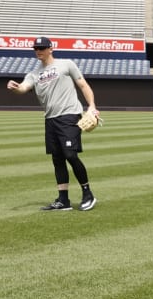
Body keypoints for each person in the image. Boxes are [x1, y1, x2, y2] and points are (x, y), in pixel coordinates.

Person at [6, 36, 99, 211]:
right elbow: (24, 88)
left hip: (69, 115)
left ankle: (88, 193)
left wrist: (92, 106)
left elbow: (83, 85)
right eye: (36, 48)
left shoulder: (66, 64)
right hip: (50, 119)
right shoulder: (34, 74)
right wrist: (15, 87)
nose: (38, 51)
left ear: (51, 48)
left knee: (70, 154)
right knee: (57, 159)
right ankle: (63, 199)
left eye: (42, 48)